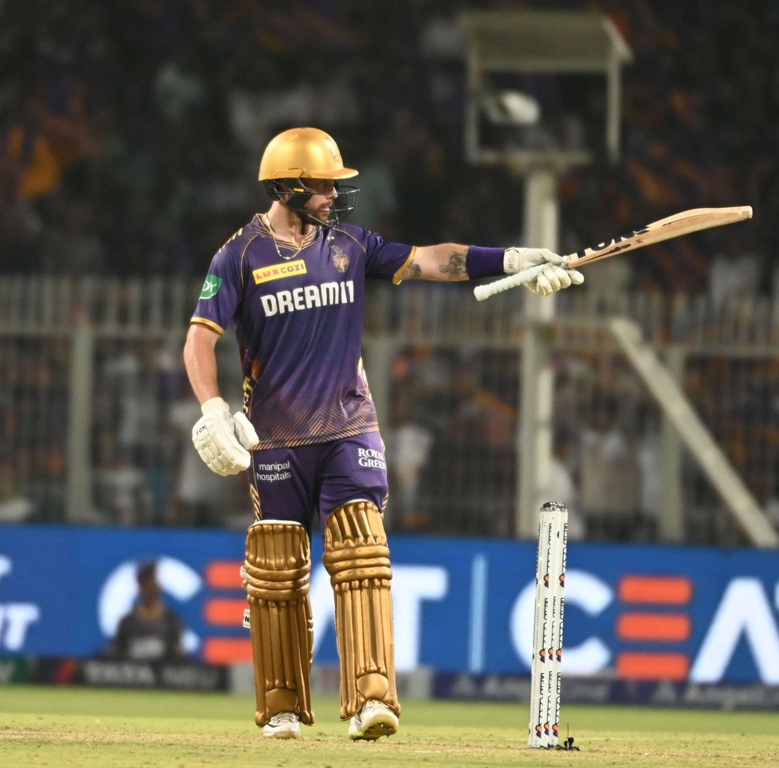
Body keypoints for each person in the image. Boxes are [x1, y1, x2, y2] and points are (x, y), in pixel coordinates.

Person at [183, 126, 584, 741]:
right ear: (287, 186)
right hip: (277, 437)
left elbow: (431, 259)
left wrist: (512, 260)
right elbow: (199, 340)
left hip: (350, 427)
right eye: (322, 185)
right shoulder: (239, 256)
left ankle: (370, 699)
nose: (332, 195)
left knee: (362, 552)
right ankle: (282, 705)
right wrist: (212, 409)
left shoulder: (349, 244)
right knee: (277, 571)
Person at [108, 561, 186, 661]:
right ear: (140, 586)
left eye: (152, 582)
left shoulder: (171, 621)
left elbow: (179, 656)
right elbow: (115, 654)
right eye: (146, 583)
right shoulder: (128, 622)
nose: (150, 587)